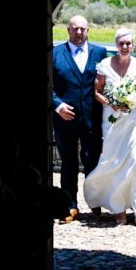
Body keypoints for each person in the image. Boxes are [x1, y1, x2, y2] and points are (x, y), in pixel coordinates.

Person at [82, 27, 136, 226]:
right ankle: (119, 210)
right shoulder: (105, 64)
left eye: (128, 43)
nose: (124, 47)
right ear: (116, 45)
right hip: (113, 119)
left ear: (133, 45)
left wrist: (134, 102)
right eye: (121, 43)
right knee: (114, 161)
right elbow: (97, 91)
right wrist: (111, 102)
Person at [52, 15, 108, 217]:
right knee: (68, 163)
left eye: (82, 29)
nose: (78, 32)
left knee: (92, 161)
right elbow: (47, 84)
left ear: (88, 31)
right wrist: (57, 106)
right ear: (68, 30)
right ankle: (70, 205)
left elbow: (108, 83)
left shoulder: (100, 53)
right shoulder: (56, 54)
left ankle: (94, 202)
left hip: (92, 118)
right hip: (64, 119)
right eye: (75, 29)